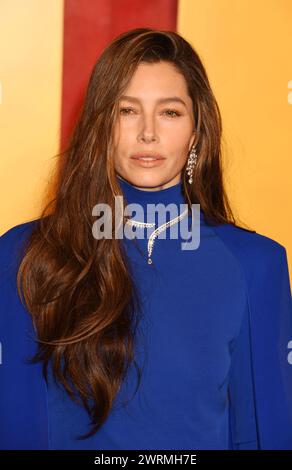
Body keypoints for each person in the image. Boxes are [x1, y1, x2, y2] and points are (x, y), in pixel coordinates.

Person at [0, 28, 291, 450]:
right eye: (127, 111)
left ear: (197, 130)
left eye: (170, 112)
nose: (148, 133)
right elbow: (15, 423)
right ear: (100, 125)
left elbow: (265, 432)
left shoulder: (255, 263)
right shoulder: (25, 255)